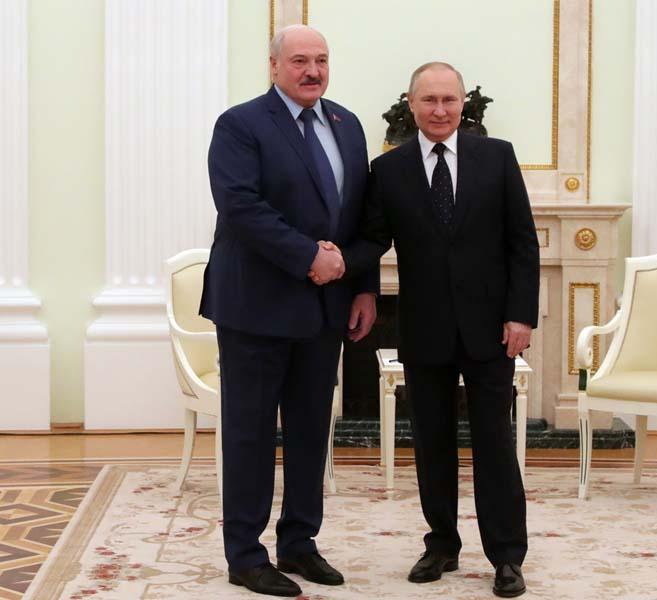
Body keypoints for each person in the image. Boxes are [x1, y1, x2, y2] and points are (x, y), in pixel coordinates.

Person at [326, 62, 539, 598]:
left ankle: (507, 556)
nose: (440, 110)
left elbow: (522, 242)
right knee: (432, 443)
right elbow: (372, 239)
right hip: (424, 328)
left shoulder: (498, 157)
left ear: (462, 103)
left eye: (448, 100)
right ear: (411, 104)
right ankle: (441, 544)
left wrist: (521, 315)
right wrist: (334, 260)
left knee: (495, 443)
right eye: (429, 100)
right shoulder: (388, 169)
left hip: (492, 330)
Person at [200, 24, 377, 598]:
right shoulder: (240, 124)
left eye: (321, 60)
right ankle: (246, 556)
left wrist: (363, 286)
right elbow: (241, 206)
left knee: (309, 432)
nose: (312, 71)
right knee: (250, 435)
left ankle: (299, 543)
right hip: (255, 308)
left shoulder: (348, 125)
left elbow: (359, 216)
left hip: (324, 310)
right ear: (274, 65)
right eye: (300, 60)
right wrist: (309, 258)